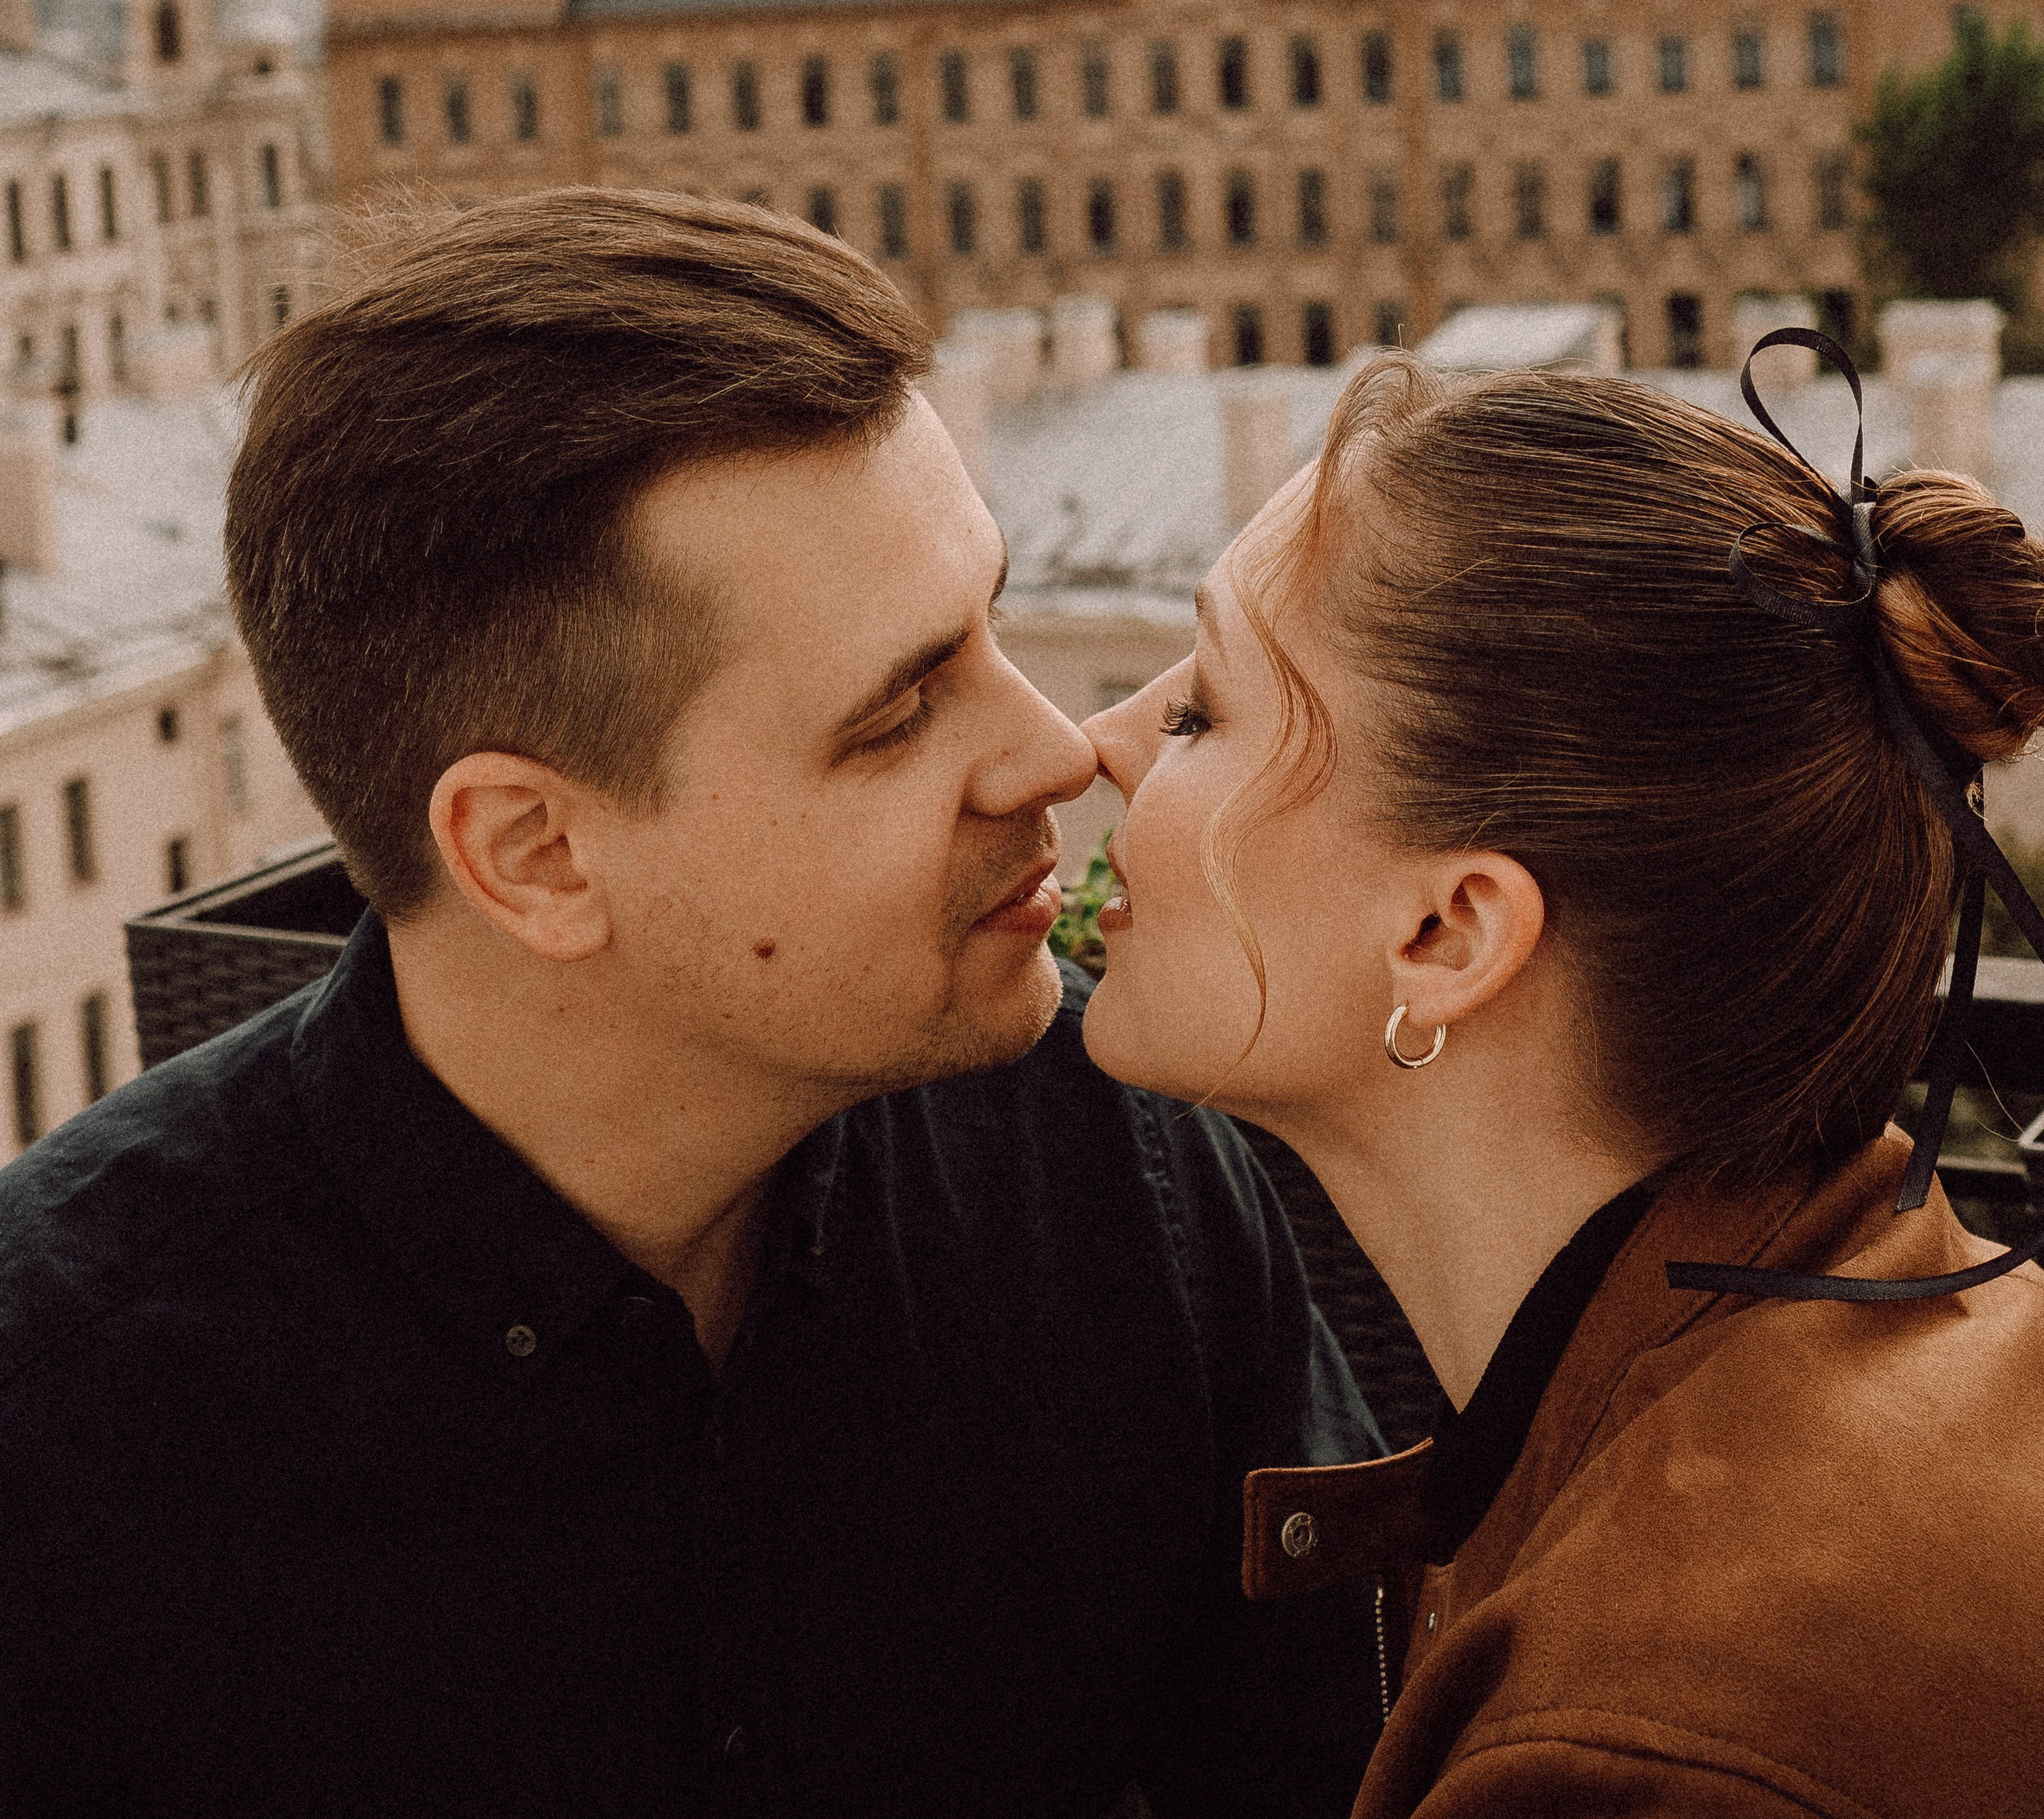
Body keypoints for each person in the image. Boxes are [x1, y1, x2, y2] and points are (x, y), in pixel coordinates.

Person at [0, 191, 1382, 1819]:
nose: (1054, 751)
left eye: (989, 626)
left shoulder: (1110, 1160)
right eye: (894, 714)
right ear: (534, 855)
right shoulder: (61, 1433)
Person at [1083, 338, 2044, 1819]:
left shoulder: (1642, 1737)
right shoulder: (1951, 1345)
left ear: (1446, 933)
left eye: (1203, 709)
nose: (1093, 743)